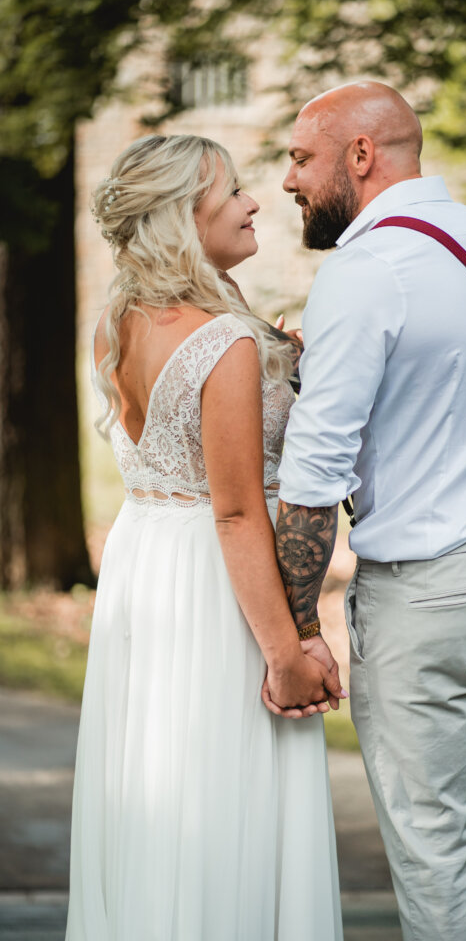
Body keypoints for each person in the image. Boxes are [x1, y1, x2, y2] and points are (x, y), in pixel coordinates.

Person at [270, 82, 466, 941]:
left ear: (361, 155)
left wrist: (297, 623)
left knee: (432, 850)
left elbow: (313, 474)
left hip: (427, 592)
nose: (286, 181)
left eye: (301, 158)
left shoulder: (364, 269)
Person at [66, 133, 344, 941]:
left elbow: (178, 453)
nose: (255, 202)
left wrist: (274, 363)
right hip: (217, 583)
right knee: (227, 792)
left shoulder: (115, 324)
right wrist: (290, 652)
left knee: (162, 789)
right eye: (233, 193)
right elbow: (234, 510)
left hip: (146, 564)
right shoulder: (222, 344)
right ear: (185, 217)